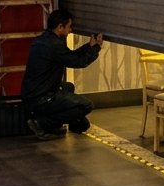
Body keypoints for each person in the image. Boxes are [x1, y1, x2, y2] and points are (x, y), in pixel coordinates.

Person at [21, 9, 103, 139]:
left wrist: (89, 46)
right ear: (60, 27)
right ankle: (42, 123)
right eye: (69, 27)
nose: (71, 30)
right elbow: (79, 62)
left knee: (68, 87)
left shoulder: (45, 39)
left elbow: (70, 56)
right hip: (42, 99)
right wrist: (96, 47)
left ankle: (64, 123)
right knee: (86, 105)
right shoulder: (54, 45)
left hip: (32, 95)